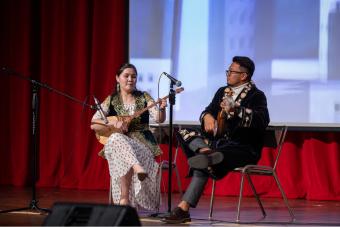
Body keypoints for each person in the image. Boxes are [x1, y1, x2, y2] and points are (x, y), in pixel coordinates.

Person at [162, 56, 270, 224]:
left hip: (243, 148)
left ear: (244, 76)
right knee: (184, 131)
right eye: (228, 71)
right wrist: (207, 117)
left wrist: (237, 109)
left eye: (232, 71)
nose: (228, 74)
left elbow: (262, 120)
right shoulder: (222, 91)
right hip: (218, 145)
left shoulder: (257, 95)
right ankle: (205, 151)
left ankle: (183, 208)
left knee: (206, 162)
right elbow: (208, 110)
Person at [90, 63, 167, 210]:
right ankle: (136, 170)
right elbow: (94, 124)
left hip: (143, 148)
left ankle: (124, 200)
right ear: (117, 78)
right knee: (116, 139)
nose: (130, 79)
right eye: (126, 76)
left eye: (133, 76)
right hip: (122, 147)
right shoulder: (111, 100)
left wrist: (162, 108)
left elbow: (158, 118)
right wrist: (113, 125)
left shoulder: (144, 97)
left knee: (115, 141)